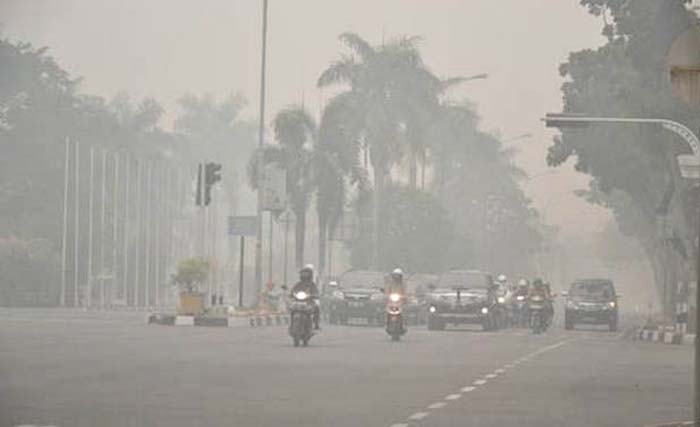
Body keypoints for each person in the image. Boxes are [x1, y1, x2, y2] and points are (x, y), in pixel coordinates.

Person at [291, 265, 320, 330]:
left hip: (309, 302)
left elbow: (316, 292)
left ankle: (316, 324)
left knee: (316, 308)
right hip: (298, 302)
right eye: (303, 274)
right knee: (292, 310)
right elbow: (293, 290)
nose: (305, 275)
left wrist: (314, 295)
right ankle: (292, 324)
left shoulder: (312, 284)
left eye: (306, 274)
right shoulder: (298, 284)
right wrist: (291, 294)